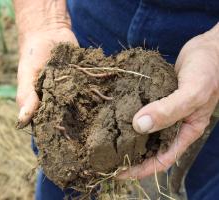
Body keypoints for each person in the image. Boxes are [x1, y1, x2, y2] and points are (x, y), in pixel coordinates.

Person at [14, 1, 219, 199]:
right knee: (66, 167)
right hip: (98, 15)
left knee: (209, 178)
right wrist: (44, 22)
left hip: (205, 35)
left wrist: (215, 48)